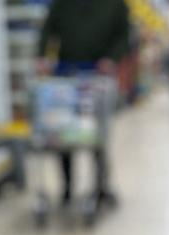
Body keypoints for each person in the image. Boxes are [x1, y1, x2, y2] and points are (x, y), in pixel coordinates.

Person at [37, 0, 130, 206]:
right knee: (63, 135)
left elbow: (124, 36)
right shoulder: (61, 4)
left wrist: (111, 59)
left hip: (99, 79)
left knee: (98, 136)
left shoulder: (115, 5)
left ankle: (100, 186)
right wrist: (43, 56)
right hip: (65, 76)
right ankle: (67, 187)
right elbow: (48, 29)